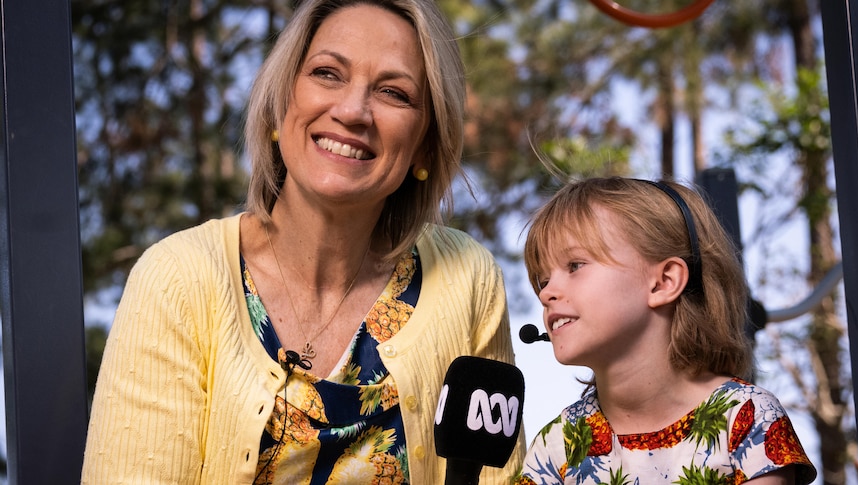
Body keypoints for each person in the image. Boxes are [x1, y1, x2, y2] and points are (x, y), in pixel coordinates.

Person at [81, 0, 525, 482]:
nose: (354, 111)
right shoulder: (178, 278)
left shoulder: (467, 279)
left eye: (394, 93)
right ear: (280, 102)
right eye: (328, 74)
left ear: (424, 142)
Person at [515, 177, 816, 484]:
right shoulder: (557, 445)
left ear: (664, 282)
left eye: (575, 265)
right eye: (543, 280)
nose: (546, 293)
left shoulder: (748, 418)